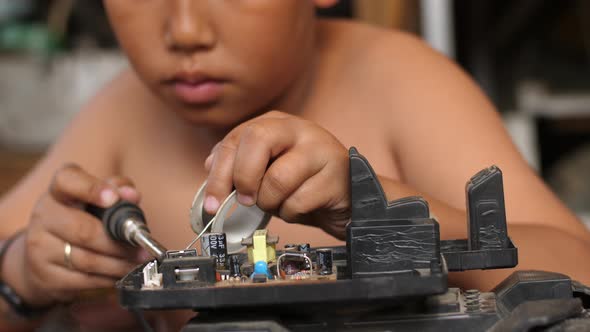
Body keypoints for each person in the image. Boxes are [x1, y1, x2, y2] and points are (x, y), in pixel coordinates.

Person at [0, 0, 589, 330]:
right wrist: (23, 273)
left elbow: (577, 267)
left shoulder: (404, 84)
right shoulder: (123, 108)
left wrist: (376, 210)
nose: (184, 30)